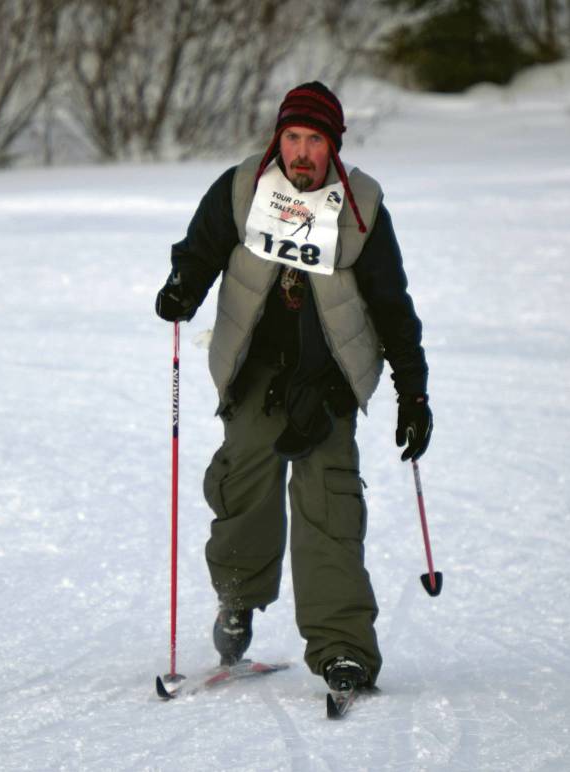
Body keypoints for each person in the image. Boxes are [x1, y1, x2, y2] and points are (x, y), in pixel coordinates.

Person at [154, 81, 432, 693]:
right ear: (277, 137)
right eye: (292, 137)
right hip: (254, 369)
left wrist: (413, 392)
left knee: (329, 508)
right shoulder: (241, 187)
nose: (302, 152)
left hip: (328, 378)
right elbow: (198, 252)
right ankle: (237, 599)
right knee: (242, 488)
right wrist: (182, 287)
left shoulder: (361, 204)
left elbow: (391, 304)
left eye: (315, 141)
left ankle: (343, 649)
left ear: (333, 145)